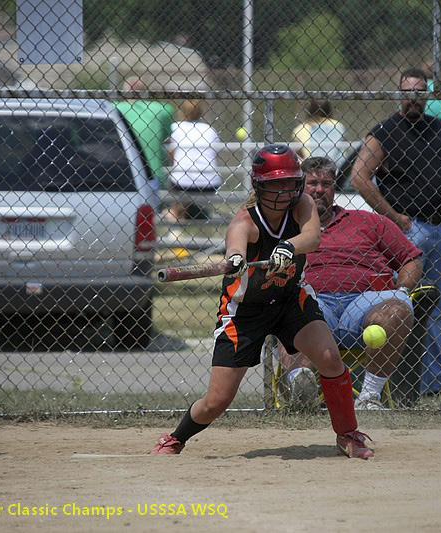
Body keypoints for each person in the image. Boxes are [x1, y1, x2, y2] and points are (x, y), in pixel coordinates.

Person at [152, 145, 373, 459]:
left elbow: (312, 237)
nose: (284, 191)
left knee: (329, 357)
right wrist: (238, 260)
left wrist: (287, 246)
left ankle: (348, 434)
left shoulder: (303, 204)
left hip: (289, 300)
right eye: (275, 185)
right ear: (259, 186)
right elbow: (235, 247)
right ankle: (175, 438)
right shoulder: (246, 221)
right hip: (244, 312)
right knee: (216, 402)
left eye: (289, 183)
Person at [350, 67, 441, 398]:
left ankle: (434, 382)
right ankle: (394, 381)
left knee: (436, 308)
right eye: (407, 92)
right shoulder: (385, 132)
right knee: (402, 304)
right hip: (408, 231)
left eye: (419, 92)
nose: (413, 98)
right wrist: (394, 218)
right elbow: (360, 176)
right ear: (399, 94)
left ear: (427, 95)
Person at [281, 156, 424, 411]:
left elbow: (410, 259)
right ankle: (299, 387)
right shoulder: (284, 227)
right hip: (312, 301)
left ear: (334, 189)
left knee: (398, 308)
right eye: (312, 183)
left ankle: (368, 397)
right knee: (287, 308)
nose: (319, 190)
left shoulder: (369, 221)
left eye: (326, 184)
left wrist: (402, 290)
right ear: (299, 188)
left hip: (366, 304)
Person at [164, 99, 223, 222]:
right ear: (201, 113)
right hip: (210, 182)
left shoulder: (176, 127)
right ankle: (189, 213)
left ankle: (175, 219)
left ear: (181, 113)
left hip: (181, 182)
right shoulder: (209, 129)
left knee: (175, 182)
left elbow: (170, 155)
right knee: (188, 199)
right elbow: (216, 155)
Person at [115, 78, 177, 191]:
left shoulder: (113, 109)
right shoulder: (162, 110)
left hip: (120, 173)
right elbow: (168, 137)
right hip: (153, 174)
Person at [292, 99, 347, 168]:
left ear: (309, 110)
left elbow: (298, 153)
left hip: (310, 167)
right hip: (336, 166)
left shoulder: (301, 129)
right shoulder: (338, 126)